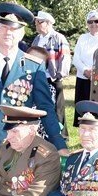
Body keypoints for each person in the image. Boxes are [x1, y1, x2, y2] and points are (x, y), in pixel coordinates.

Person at [0, 2, 68, 174]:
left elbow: (46, 108)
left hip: (19, 147)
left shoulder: (33, 67)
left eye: (14, 29)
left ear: (22, 33)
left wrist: (59, 142)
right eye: (3, 27)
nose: (8, 32)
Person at [31, 10, 71, 140]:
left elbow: (65, 57)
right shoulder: (37, 39)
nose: (36, 24)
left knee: (58, 107)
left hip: (53, 77)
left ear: (48, 23)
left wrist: (59, 74)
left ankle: (61, 135)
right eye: (36, 21)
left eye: (39, 21)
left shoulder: (58, 37)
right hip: (39, 76)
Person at [71, 10, 98, 126]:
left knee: (97, 109)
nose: (93, 24)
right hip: (83, 78)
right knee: (83, 107)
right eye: (90, 22)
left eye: (96, 21)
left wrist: (95, 72)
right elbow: (76, 58)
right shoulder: (82, 38)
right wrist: (85, 70)